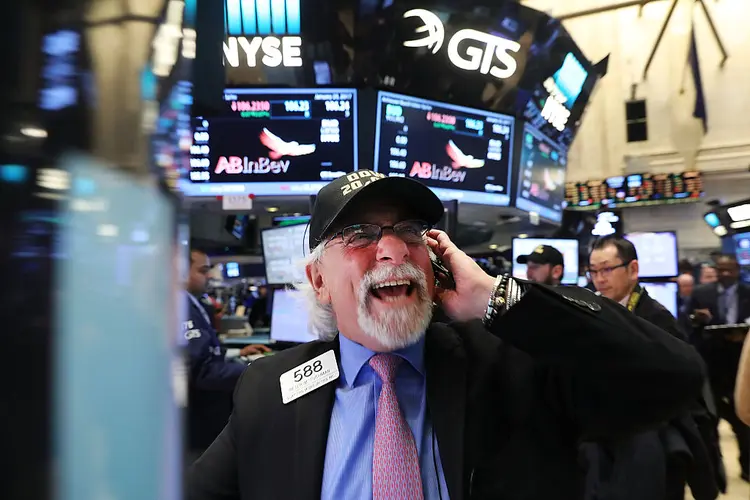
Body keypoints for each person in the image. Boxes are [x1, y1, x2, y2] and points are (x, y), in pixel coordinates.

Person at [187, 171, 704, 500]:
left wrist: (497, 297)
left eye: (410, 231)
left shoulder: (510, 367)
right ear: (319, 280)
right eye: (361, 235)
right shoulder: (270, 389)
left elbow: (672, 377)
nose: (392, 249)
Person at [586, 236, 722, 499]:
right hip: (607, 440)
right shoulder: (598, 311)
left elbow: (684, 383)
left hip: (655, 444)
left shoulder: (657, 319)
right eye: (593, 271)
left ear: (633, 269)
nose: (599, 279)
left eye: (606, 269)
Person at [185, 248, 269, 456]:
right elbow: (201, 372)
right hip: (201, 423)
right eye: (203, 271)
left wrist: (237, 353)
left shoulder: (195, 304)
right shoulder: (181, 306)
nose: (210, 276)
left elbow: (205, 352)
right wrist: (254, 371)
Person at [692, 254, 750, 480]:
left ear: (737, 270)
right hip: (711, 367)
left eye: (730, 270)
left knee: (744, 424)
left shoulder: (748, 293)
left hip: (740, 368)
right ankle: (713, 473)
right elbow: (688, 330)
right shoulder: (701, 294)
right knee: (708, 426)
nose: (725, 274)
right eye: (721, 270)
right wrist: (698, 320)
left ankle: (747, 467)